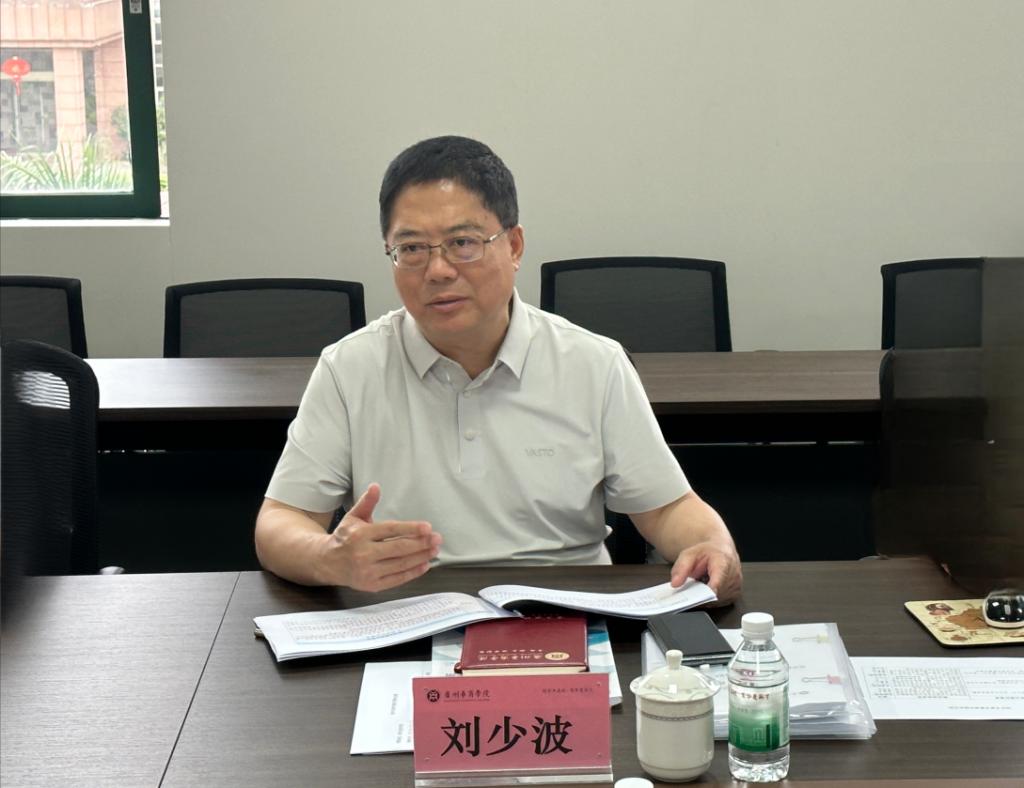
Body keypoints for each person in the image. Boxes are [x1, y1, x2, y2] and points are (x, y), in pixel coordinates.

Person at [254, 135, 742, 600]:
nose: (438, 270)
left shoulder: (593, 363)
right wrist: (329, 558)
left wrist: (711, 545)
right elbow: (280, 521)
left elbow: (668, 507)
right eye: (412, 249)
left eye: (463, 242)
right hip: (404, 613)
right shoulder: (349, 368)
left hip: (564, 611)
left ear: (514, 246)